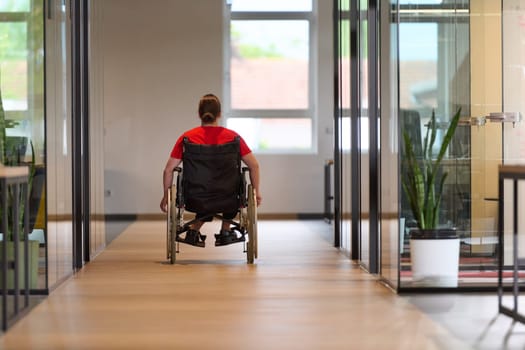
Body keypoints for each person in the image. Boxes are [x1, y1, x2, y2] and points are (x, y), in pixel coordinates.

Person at [160, 93, 261, 247]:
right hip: (229, 197)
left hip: (195, 197)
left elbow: (168, 170)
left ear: (199, 114)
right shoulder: (233, 138)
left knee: (206, 196)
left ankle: (193, 231)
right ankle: (226, 231)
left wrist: (166, 195)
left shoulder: (187, 138)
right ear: (219, 114)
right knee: (229, 190)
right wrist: (256, 192)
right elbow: (254, 166)